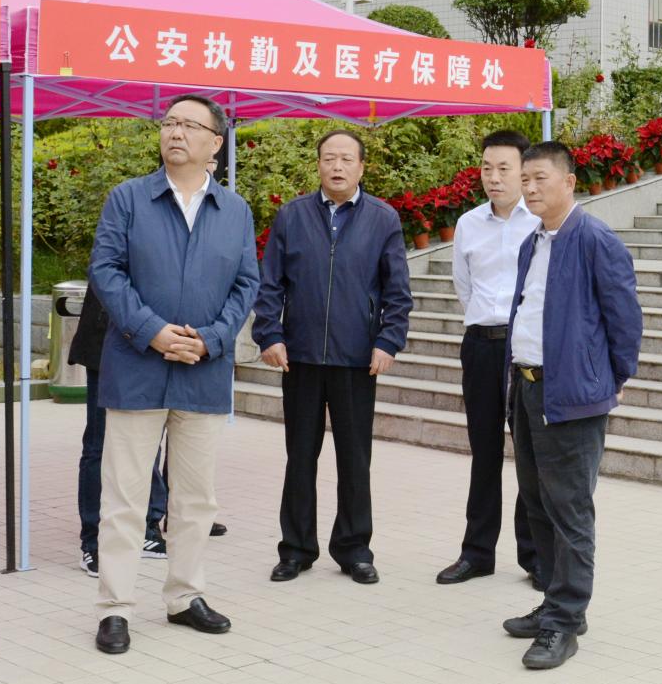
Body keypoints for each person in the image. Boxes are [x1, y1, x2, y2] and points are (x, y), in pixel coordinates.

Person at [88, 94, 259, 655]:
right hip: (136, 366)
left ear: (216, 143)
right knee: (124, 498)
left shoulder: (234, 210)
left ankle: (185, 596)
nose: (176, 133)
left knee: (196, 499)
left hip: (203, 372)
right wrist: (153, 332)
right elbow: (106, 271)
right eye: (169, 123)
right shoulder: (129, 198)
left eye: (189, 125)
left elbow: (246, 284)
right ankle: (115, 608)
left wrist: (211, 339)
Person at [501, 142, 642, 670]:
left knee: (570, 510)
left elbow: (625, 322)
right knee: (537, 502)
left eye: (540, 178)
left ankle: (565, 621)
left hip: (574, 397)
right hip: (528, 389)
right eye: (526, 179)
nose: (530, 188)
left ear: (569, 182)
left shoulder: (595, 239)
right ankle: (553, 601)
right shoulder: (532, 241)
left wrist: (609, 380)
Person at [253, 129, 412, 586]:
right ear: (318, 164)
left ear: (361, 166)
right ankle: (296, 549)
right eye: (329, 158)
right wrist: (269, 334)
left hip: (357, 358)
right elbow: (271, 283)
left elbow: (397, 291)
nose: (337, 166)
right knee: (300, 456)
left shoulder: (383, 218)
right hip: (299, 356)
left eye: (346, 159)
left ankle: (354, 549)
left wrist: (388, 341)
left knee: (354, 459)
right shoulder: (292, 215)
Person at [436, 130, 540, 588]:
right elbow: (464, 287)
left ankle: (534, 555)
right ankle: (477, 553)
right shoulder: (468, 224)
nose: (493, 178)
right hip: (480, 345)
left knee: (528, 454)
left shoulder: (538, 223)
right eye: (486, 168)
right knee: (484, 453)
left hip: (524, 350)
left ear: (524, 172)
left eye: (504, 169)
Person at [69, 282, 171, 577]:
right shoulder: (112, 252)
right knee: (99, 444)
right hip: (106, 342)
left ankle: (148, 525)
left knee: (150, 439)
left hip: (155, 347)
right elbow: (108, 280)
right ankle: (93, 541)